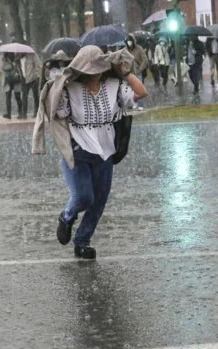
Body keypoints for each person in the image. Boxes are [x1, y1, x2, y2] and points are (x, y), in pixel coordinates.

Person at [31, 46, 148, 259]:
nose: (94, 73)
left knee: (100, 199)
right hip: (78, 150)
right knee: (84, 197)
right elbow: (56, 112)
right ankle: (66, 217)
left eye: (98, 68)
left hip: (105, 151)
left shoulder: (115, 86)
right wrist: (56, 83)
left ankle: (82, 241)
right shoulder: (70, 88)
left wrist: (126, 72)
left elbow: (141, 93)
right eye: (89, 69)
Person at [20, 51, 42, 119]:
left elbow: (38, 65)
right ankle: (24, 114)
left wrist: (36, 76)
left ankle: (36, 112)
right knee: (24, 97)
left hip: (33, 79)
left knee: (35, 96)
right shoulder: (17, 57)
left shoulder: (32, 54)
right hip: (24, 79)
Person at [1, 52, 23, 119]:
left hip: (16, 80)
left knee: (17, 97)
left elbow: (20, 69)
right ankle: (8, 113)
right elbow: (4, 68)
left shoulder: (17, 59)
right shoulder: (4, 60)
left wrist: (16, 64)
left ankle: (20, 113)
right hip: (7, 81)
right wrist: (12, 65)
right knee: (8, 97)